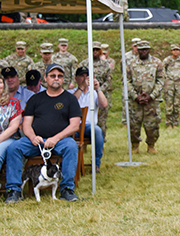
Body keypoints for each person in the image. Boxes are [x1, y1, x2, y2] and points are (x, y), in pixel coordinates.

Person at [5, 64, 82, 203]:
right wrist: (33, 137)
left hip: (61, 140)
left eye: (59, 76)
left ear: (63, 79)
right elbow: (26, 124)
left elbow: (74, 125)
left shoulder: (70, 99)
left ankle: (66, 189)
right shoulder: (35, 99)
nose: (56, 79)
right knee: (13, 148)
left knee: (71, 147)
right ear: (45, 78)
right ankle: (14, 190)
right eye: (52, 76)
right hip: (37, 141)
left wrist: (56, 138)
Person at [126, 40, 163, 153]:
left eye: (146, 49)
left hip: (151, 101)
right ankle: (135, 146)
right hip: (135, 101)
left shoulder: (157, 63)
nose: (144, 52)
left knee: (152, 125)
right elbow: (127, 81)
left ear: (149, 50)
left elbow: (160, 80)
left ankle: (151, 145)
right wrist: (135, 96)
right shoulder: (131, 63)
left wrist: (151, 96)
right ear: (137, 50)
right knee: (134, 125)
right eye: (141, 50)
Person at [70, 67, 107, 172]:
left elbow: (104, 105)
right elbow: (71, 103)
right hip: (73, 127)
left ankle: (96, 164)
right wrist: (81, 88)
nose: (85, 78)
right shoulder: (71, 92)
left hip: (88, 127)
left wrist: (98, 89)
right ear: (76, 78)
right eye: (82, 76)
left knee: (97, 131)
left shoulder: (94, 93)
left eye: (87, 76)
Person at [79, 42, 113, 138]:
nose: (95, 52)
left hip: (101, 95)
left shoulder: (106, 64)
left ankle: (101, 142)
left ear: (100, 51)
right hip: (86, 95)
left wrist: (98, 90)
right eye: (93, 49)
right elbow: (78, 78)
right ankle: (84, 142)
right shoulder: (84, 63)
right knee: (85, 119)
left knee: (101, 120)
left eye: (97, 50)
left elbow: (109, 80)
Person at [0, 76, 23, 169]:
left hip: (8, 138)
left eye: (0, 83)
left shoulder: (13, 102)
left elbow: (13, 127)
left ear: (4, 85)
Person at [163, 44, 180, 128]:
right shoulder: (167, 60)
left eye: (177, 50)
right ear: (171, 51)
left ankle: (175, 122)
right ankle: (169, 123)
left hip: (178, 84)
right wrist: (167, 80)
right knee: (169, 103)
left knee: (177, 103)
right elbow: (163, 71)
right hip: (169, 84)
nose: (176, 51)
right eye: (174, 50)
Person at [123, 37, 141, 127]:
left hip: (139, 82)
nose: (136, 48)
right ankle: (125, 122)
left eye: (138, 46)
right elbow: (122, 68)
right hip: (128, 81)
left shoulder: (142, 56)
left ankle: (138, 120)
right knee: (126, 101)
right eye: (135, 46)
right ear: (132, 46)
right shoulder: (126, 56)